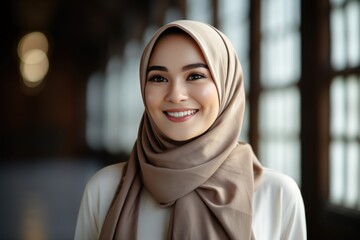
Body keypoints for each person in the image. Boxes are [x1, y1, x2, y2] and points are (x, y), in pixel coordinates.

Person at [74, 20, 307, 240]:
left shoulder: (277, 195)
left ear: (227, 85)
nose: (176, 95)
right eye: (158, 78)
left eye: (195, 76)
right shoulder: (104, 189)